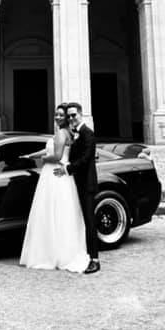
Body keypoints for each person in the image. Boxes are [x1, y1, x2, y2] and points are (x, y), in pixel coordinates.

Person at [19, 106, 89, 273]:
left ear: (66, 118)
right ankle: (61, 251)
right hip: (63, 176)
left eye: (61, 115)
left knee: (50, 212)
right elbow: (52, 149)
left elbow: (56, 156)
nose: (57, 117)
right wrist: (32, 155)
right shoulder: (67, 133)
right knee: (62, 214)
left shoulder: (61, 133)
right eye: (56, 114)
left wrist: (42, 159)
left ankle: (51, 254)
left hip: (53, 174)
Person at [55, 102, 100, 274]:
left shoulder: (88, 133)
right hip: (76, 183)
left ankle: (95, 260)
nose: (71, 118)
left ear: (81, 115)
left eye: (74, 115)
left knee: (89, 222)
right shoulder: (75, 133)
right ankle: (81, 253)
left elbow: (86, 159)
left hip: (87, 184)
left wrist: (67, 168)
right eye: (69, 116)